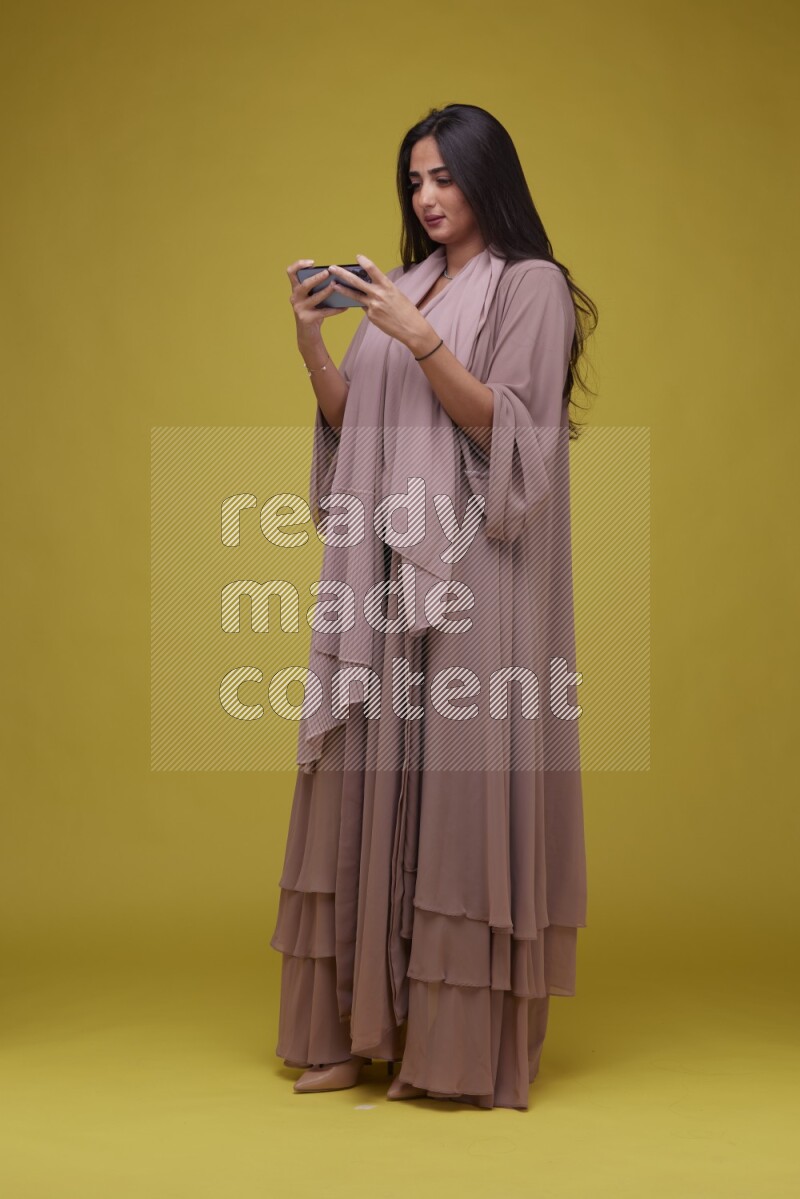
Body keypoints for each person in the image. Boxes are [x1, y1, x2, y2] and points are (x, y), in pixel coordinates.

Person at [270, 103, 597, 1110]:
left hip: (472, 564)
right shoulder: (402, 286)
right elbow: (351, 420)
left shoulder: (530, 285)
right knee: (363, 765)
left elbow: (516, 434)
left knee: (457, 786)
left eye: (445, 178)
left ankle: (447, 1047)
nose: (426, 197)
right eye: (414, 180)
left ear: (485, 179)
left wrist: (419, 343)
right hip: (380, 564)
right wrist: (314, 341)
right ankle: (349, 1028)